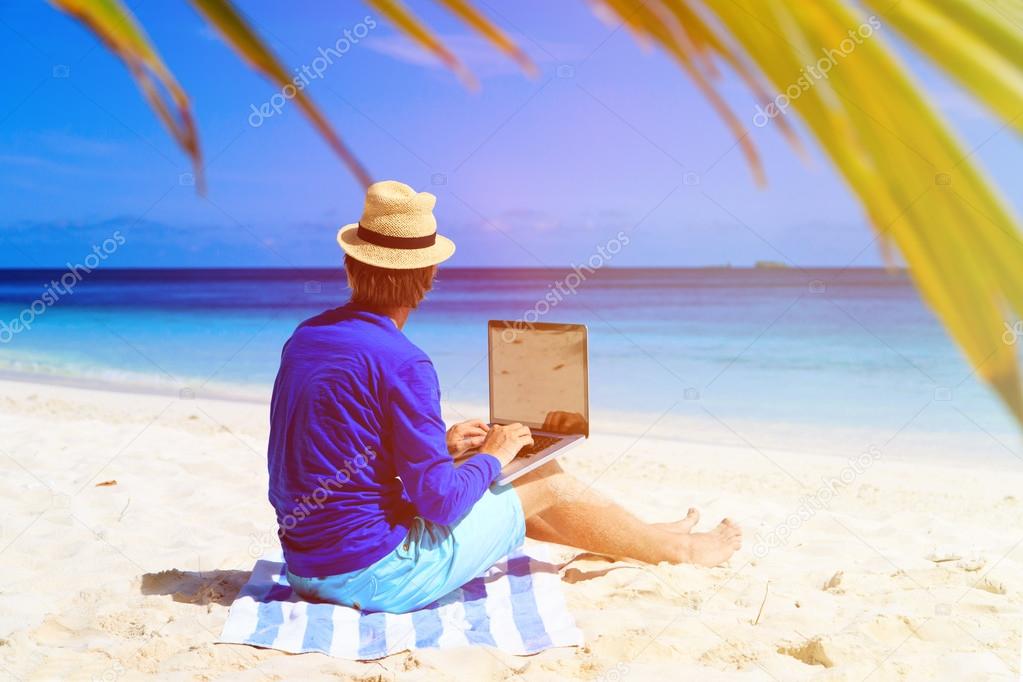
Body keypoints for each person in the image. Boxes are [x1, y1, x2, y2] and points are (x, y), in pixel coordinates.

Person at [267, 180, 742, 614]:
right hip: (375, 577)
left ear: (351, 264)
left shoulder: (306, 338)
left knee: (510, 473)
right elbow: (440, 506)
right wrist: (494, 454)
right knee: (543, 478)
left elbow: (323, 453)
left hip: (307, 566)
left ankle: (644, 538)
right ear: (428, 276)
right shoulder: (404, 362)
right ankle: (680, 550)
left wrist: (447, 447)